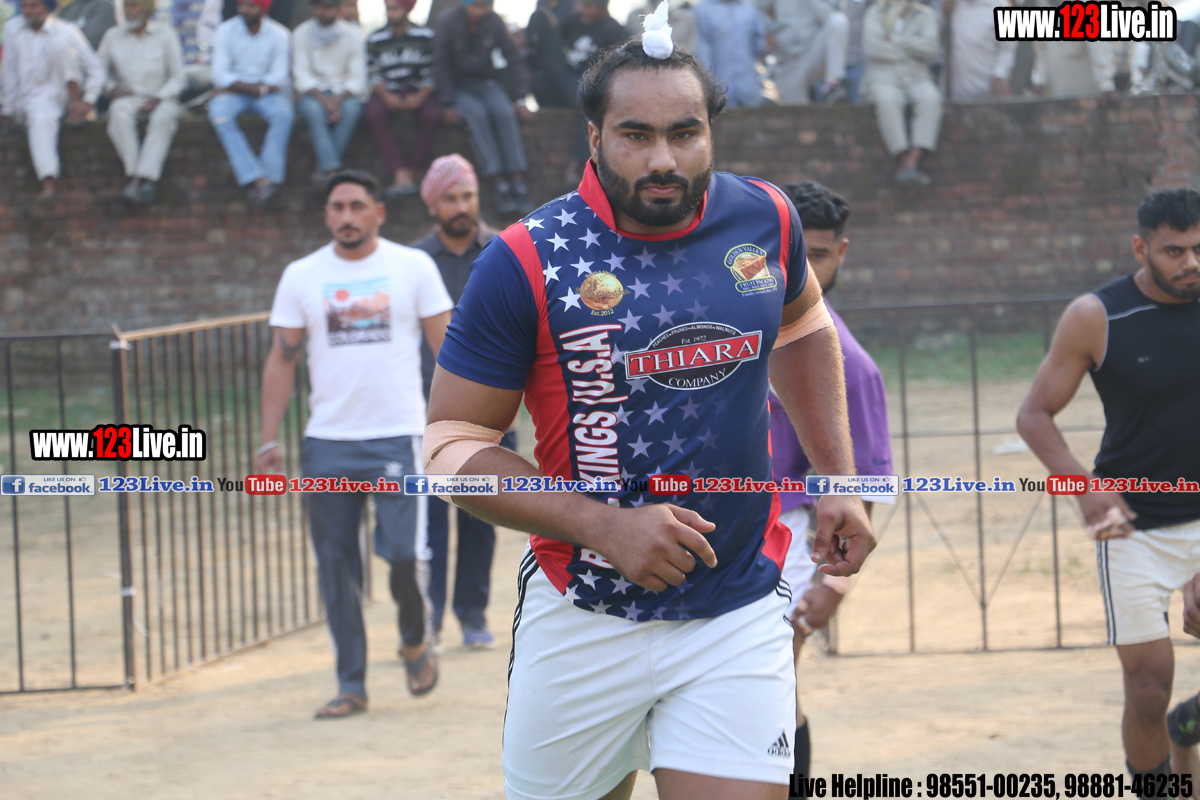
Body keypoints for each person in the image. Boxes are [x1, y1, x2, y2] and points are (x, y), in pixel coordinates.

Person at [424, 28, 875, 799]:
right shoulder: (529, 256)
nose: (663, 159)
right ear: (595, 138)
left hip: (734, 609)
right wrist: (603, 526)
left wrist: (838, 477)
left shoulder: (767, 218)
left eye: (684, 133)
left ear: (710, 134)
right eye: (636, 135)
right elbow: (448, 447)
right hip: (583, 614)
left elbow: (804, 327)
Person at [1017, 189, 1200, 792]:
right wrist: (1084, 490)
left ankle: (1188, 726)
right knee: (1148, 688)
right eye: (1175, 251)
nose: (1191, 263)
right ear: (1141, 249)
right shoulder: (1096, 316)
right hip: (1131, 528)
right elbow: (1034, 415)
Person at [255, 170, 454, 719]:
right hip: (327, 443)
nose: (347, 216)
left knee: (405, 555)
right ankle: (351, 684)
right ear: (326, 215)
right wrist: (268, 439)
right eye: (337, 207)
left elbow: (449, 352)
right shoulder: (302, 275)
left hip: (397, 436)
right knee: (336, 566)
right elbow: (281, 360)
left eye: (357, 206)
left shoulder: (413, 267)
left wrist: (458, 424)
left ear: (378, 212)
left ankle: (414, 638)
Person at [768, 181, 892, 793]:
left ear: (841, 254)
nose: (801, 270)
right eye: (790, 253)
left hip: (786, 540)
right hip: (709, 531)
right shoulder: (722, 335)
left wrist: (834, 584)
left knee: (772, 684)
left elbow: (861, 487)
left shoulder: (849, 366)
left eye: (816, 255)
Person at [409, 154, 511, 649]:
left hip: (493, 408)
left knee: (482, 515)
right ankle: (428, 618)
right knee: (428, 522)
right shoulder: (413, 262)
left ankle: (472, 614)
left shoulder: (504, 251)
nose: (461, 206)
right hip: (427, 410)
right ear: (433, 204)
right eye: (450, 198)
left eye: (467, 196)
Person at [432, 0, 534, 215]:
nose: (479, 11)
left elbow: (513, 57)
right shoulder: (446, 22)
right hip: (458, 87)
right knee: (477, 116)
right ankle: (499, 182)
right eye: (475, 6)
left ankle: (517, 180)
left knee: (504, 114)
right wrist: (446, 101)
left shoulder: (494, 21)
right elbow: (440, 64)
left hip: (486, 82)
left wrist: (521, 97)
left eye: (484, 6)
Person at [1, 0, 105, 207]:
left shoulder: (66, 31)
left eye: (34, 6)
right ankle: (47, 181)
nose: (28, 11)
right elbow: (9, 69)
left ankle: (48, 184)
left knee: (58, 45)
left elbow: (96, 69)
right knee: (40, 115)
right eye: (25, 6)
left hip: (61, 96)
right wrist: (8, 107)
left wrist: (88, 100)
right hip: (26, 97)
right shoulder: (13, 28)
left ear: (48, 7)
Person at [98, 0, 185, 205]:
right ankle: (139, 176)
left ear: (146, 8)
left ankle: (137, 181)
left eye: (134, 5)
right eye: (126, 6)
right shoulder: (112, 36)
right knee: (118, 116)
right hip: (129, 98)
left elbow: (178, 78)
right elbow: (98, 72)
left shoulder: (166, 35)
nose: (128, 11)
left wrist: (159, 97)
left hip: (161, 98)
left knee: (164, 120)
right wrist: (111, 89)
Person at [208, 0, 294, 205]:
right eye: (242, 5)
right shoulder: (225, 30)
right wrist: (252, 88)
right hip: (237, 94)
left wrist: (256, 89)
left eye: (251, 5)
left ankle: (270, 176)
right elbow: (220, 74)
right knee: (220, 115)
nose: (245, 10)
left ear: (263, 8)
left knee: (284, 115)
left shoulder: (280, 34)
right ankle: (255, 177)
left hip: (264, 94)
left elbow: (279, 77)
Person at [862, 0, 941, 186]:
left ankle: (913, 160)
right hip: (883, 75)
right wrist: (912, 50)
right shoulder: (875, 12)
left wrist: (896, 40)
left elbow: (930, 48)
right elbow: (873, 48)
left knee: (931, 99)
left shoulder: (925, 14)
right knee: (888, 100)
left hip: (917, 75)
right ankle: (904, 160)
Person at [364, 0, 438, 196]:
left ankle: (414, 170)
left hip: (417, 90)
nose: (390, 13)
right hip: (387, 91)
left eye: (394, 8)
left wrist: (421, 95)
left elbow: (432, 71)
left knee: (432, 115)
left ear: (407, 9)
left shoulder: (425, 36)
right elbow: (373, 72)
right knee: (374, 113)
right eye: (387, 8)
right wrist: (386, 95)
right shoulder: (375, 38)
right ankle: (399, 172)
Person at [293, 0, 366, 182]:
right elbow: (301, 74)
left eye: (327, 7)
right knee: (314, 112)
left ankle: (323, 168)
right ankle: (331, 170)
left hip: (344, 93)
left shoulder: (354, 35)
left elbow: (358, 77)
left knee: (351, 110)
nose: (321, 12)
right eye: (318, 7)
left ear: (338, 9)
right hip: (314, 93)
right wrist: (325, 100)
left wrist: (337, 99)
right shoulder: (301, 33)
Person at [559, 0, 628, 183]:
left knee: (593, 105)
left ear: (602, 7)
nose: (581, 10)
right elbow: (554, 43)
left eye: (587, 6)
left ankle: (580, 163)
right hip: (560, 79)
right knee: (540, 19)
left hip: (585, 87)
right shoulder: (574, 21)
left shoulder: (615, 32)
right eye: (580, 5)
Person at [759, 0, 848, 105]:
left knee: (839, 21)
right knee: (792, 111)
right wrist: (766, 31)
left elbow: (830, 16)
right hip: (786, 63)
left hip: (811, 53)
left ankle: (833, 87)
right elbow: (755, 10)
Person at [693, 0, 766, 108]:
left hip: (749, 88)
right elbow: (702, 51)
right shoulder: (701, 9)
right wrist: (708, 86)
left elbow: (760, 47)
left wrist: (768, 44)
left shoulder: (749, 7)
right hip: (719, 90)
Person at [947, 0, 1014, 101]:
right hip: (955, 92)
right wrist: (945, 14)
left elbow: (1008, 50)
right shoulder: (953, 5)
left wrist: (999, 75)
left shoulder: (1002, 7)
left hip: (987, 91)